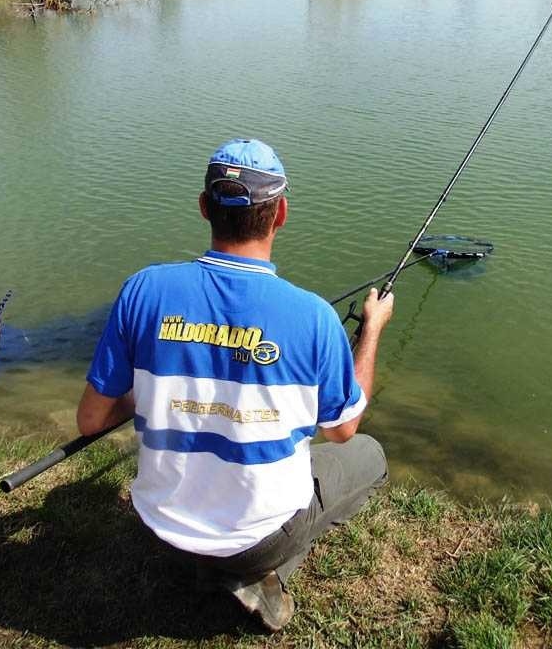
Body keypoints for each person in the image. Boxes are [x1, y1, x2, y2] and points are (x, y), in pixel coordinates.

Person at [75, 139, 394, 631]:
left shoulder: (143, 290)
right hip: (255, 540)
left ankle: (219, 565)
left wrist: (155, 392)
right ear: (281, 213)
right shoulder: (312, 317)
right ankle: (259, 572)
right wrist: (370, 331)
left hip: (161, 529)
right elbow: (343, 428)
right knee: (369, 454)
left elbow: (91, 419)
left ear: (204, 207)